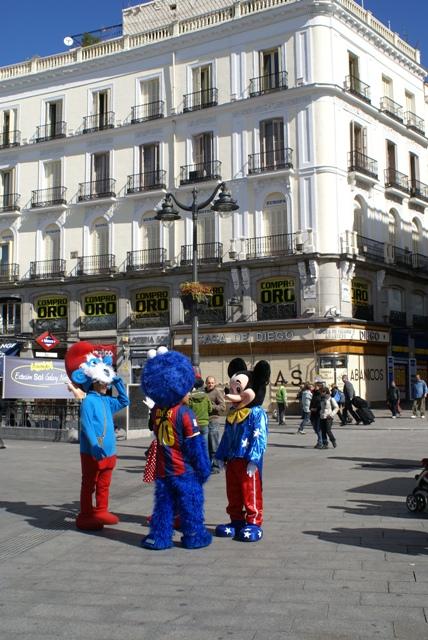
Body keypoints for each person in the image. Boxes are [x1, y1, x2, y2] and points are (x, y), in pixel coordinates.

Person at [140, 348, 212, 550]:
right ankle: (194, 535)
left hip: (164, 469)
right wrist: (204, 468)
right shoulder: (185, 414)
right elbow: (195, 446)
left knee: (164, 505)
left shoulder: (156, 411)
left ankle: (159, 537)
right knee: (191, 503)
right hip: (183, 469)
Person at [65, 341, 129, 531]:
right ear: (94, 382)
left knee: (104, 485)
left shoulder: (107, 401)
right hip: (92, 452)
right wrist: (93, 445)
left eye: (106, 382)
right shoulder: (88, 401)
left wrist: (118, 382)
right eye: (103, 382)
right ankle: (85, 515)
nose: (105, 385)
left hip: (110, 453)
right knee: (89, 484)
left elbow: (124, 400)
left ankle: (101, 511)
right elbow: (86, 426)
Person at [204, 376, 226, 473]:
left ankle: (216, 466)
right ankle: (207, 466)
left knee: (214, 445)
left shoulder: (217, 392)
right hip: (203, 421)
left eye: (212, 383)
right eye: (209, 382)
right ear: (206, 383)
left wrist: (211, 406)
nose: (210, 384)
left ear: (215, 383)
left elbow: (223, 407)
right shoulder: (202, 392)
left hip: (214, 420)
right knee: (205, 446)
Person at [188, 377, 212, 456]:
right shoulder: (206, 396)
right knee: (205, 447)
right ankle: (207, 465)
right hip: (205, 423)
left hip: (195, 424)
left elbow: (188, 410)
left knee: (195, 446)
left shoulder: (190, 397)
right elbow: (210, 409)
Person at [310, 382, 323, 448]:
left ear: (319, 387)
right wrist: (311, 408)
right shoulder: (314, 393)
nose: (314, 387)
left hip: (318, 413)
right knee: (315, 428)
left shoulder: (320, 394)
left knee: (318, 428)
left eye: (316, 386)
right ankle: (320, 440)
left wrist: (316, 409)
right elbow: (312, 402)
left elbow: (321, 403)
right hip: (313, 413)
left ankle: (320, 442)